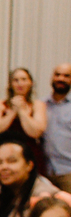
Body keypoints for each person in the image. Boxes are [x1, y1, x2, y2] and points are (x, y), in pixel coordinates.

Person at [0, 68, 47, 166]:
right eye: (16, 80)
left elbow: (36, 132)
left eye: (24, 79)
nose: (20, 83)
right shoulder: (0, 104)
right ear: (10, 84)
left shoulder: (38, 105)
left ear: (30, 83)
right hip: (3, 152)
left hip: (29, 152)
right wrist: (13, 112)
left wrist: (22, 112)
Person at [42, 63, 71, 193]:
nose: (61, 79)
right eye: (57, 74)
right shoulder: (41, 105)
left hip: (68, 172)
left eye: (66, 76)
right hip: (44, 172)